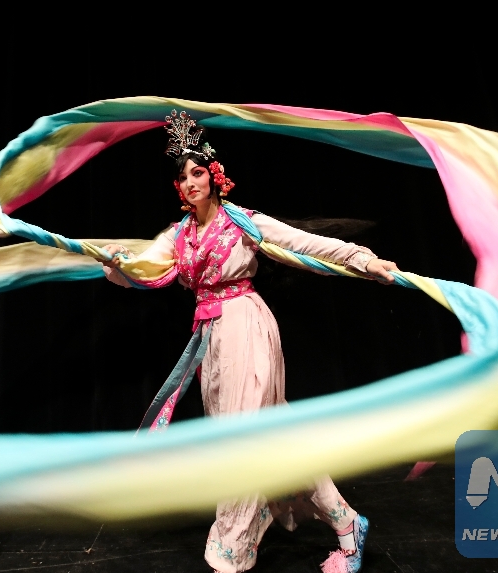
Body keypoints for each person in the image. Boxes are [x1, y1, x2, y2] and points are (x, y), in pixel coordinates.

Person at [101, 112, 399, 573]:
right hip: (212, 336)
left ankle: (231, 552)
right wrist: (118, 262)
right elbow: (144, 267)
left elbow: (307, 244)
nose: (190, 182)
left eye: (197, 172)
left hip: (246, 324)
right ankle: (346, 523)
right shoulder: (179, 236)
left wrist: (364, 260)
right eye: (182, 177)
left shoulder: (242, 222)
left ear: (214, 175)